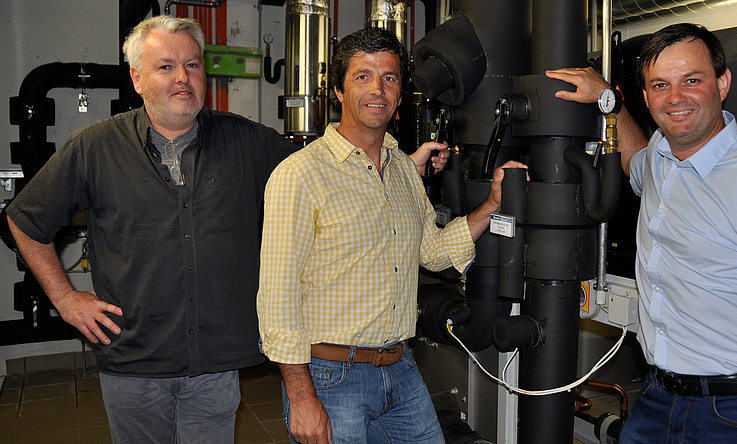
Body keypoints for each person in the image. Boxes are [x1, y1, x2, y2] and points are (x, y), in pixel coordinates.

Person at [4, 15, 437, 444]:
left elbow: (328, 167)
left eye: (192, 65)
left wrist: (395, 166)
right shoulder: (95, 148)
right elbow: (25, 220)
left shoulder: (246, 142)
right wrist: (66, 298)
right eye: (166, 67)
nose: (182, 78)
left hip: (214, 368)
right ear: (136, 78)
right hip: (134, 361)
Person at [547, 23, 737, 443]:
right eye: (660, 85)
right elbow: (635, 160)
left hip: (736, 408)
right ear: (646, 97)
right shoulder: (662, 158)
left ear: (723, 83)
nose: (675, 98)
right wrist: (609, 100)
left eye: (691, 80)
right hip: (656, 397)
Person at [257, 27, 526, 444]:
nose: (378, 89)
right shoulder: (299, 175)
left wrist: (490, 206)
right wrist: (301, 396)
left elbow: (433, 252)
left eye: (390, 77)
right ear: (339, 92)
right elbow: (277, 297)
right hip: (331, 377)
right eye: (362, 76)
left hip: (401, 368)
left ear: (401, 94)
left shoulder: (401, 169)